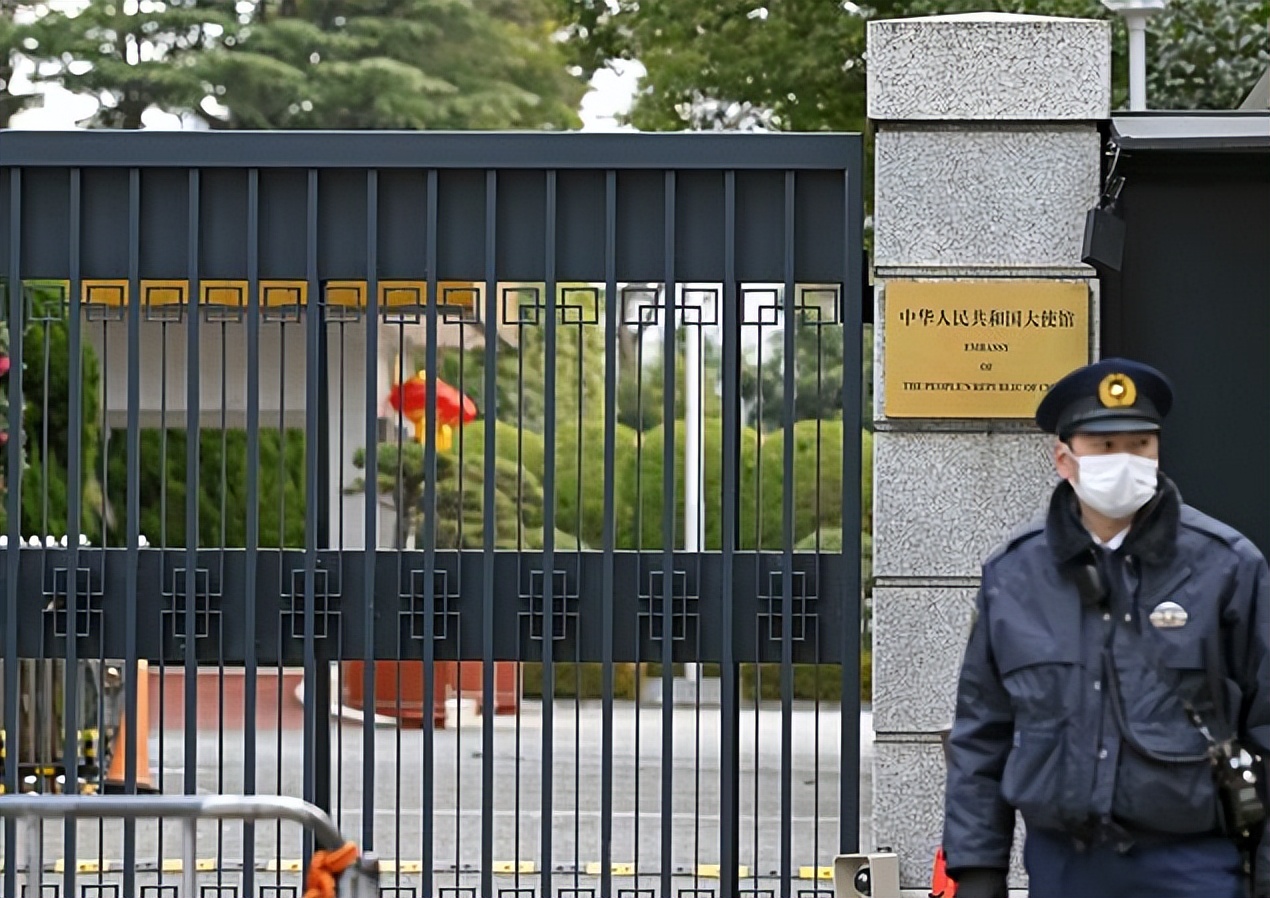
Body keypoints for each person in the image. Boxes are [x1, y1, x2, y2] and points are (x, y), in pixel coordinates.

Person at [942, 358, 1270, 898]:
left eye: (1140, 444)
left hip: (1194, 864)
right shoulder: (1014, 575)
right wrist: (978, 868)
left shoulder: (1227, 566)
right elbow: (982, 732)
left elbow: (1264, 720)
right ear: (1064, 459)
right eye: (1105, 446)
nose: (1125, 461)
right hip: (1064, 866)